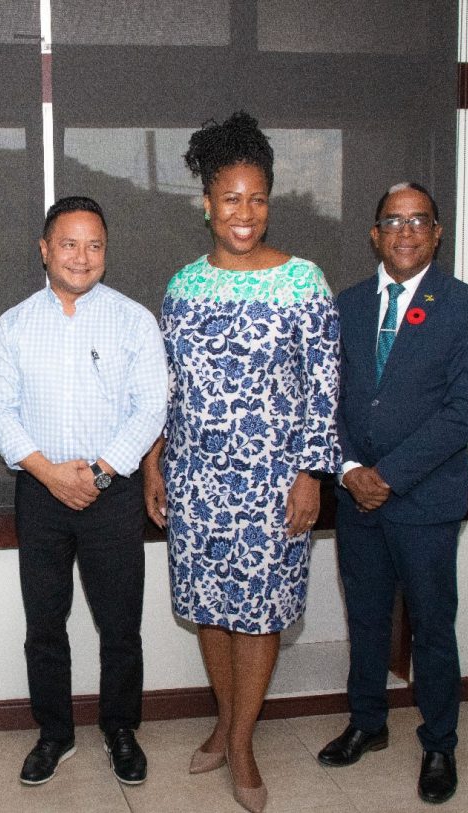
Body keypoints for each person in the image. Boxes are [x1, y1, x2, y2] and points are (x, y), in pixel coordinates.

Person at [142, 111, 340, 813]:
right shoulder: (183, 287)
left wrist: (311, 471)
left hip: (273, 485)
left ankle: (245, 742)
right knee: (212, 612)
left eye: (257, 197)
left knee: (258, 616)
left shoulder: (303, 282)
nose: (245, 212)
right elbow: (165, 389)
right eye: (231, 197)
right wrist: (154, 462)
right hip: (196, 480)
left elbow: (324, 387)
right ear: (206, 203)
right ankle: (225, 723)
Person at [317, 182, 468, 805]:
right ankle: (368, 723)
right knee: (365, 620)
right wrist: (346, 469)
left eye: (420, 220)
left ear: (437, 232)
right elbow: (329, 401)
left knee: (431, 626)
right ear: (375, 234)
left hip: (423, 503)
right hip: (354, 500)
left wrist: (385, 475)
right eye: (393, 221)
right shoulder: (345, 306)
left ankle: (440, 741)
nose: (407, 231)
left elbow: (464, 413)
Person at [0, 196, 167, 787]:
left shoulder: (134, 320)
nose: (81, 257)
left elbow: (152, 407)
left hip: (111, 493)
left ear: (106, 253)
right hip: (40, 491)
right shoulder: (13, 324)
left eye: (94, 245)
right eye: (68, 243)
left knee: (120, 624)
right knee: (45, 622)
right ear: (44, 248)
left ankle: (120, 728)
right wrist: (49, 472)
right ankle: (54, 732)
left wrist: (103, 472)